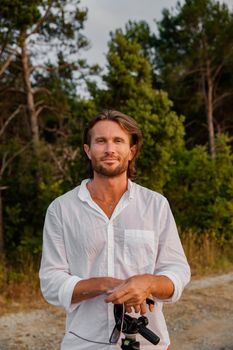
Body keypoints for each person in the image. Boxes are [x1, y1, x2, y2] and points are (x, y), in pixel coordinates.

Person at [39, 109, 191, 350]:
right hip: (83, 343)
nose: (110, 149)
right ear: (87, 150)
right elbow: (51, 282)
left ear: (131, 151)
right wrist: (107, 284)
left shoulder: (155, 204)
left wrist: (148, 283)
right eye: (101, 141)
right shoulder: (61, 209)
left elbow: (178, 271)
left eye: (118, 141)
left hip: (149, 341)